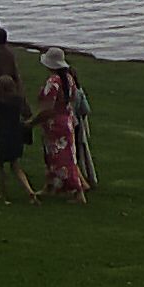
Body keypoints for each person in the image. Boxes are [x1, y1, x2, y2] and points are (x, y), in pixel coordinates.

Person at [31, 47, 88, 204]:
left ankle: (78, 191)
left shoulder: (53, 82)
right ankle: (50, 186)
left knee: (63, 160)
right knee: (56, 157)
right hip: (66, 120)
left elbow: (48, 107)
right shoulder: (69, 79)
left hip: (54, 123)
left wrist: (33, 121)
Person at [0, 75, 39, 204]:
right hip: (16, 137)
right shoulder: (20, 100)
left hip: (1, 137)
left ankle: (3, 194)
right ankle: (29, 191)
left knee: (0, 166)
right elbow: (27, 115)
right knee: (15, 166)